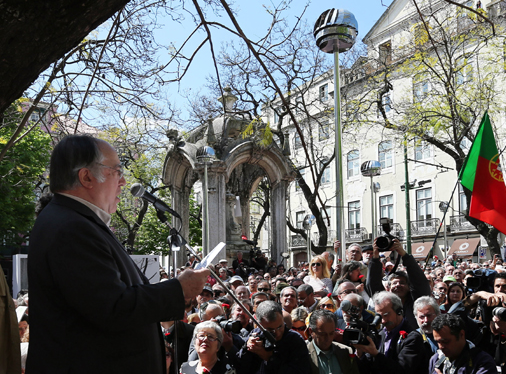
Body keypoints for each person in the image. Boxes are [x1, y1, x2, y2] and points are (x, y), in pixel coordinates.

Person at [27, 135, 209, 374]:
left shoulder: (75, 220)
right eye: (117, 171)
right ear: (86, 177)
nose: (123, 181)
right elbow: (112, 307)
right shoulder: (71, 227)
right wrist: (178, 289)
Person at [355, 291, 428, 374]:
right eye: (379, 316)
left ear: (399, 311)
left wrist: (376, 354)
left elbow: (402, 370)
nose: (382, 321)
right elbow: (368, 368)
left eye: (386, 315)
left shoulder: (413, 338)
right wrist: (360, 354)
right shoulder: (379, 334)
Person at [237, 301, 311, 374]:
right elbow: (240, 367)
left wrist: (269, 358)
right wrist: (246, 348)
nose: (277, 333)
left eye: (280, 327)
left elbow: (301, 370)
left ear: (282, 318)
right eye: (270, 330)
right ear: (260, 324)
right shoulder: (255, 335)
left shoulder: (295, 340)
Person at [430, 314, 497, 374]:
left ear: (461, 334)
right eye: (438, 342)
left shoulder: (482, 362)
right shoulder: (436, 360)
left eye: (445, 341)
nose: (441, 347)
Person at [306, 309, 360, 374]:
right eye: (323, 334)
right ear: (311, 332)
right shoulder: (304, 354)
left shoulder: (346, 352)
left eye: (331, 333)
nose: (328, 338)